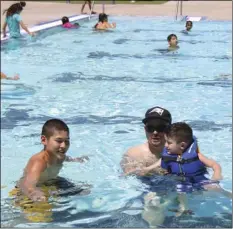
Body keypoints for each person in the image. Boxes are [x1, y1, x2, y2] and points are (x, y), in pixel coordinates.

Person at [16, 118, 89, 202]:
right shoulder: (39, 161)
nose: (63, 146)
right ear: (44, 140)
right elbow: (27, 184)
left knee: (85, 191)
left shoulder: (60, 156)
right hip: (26, 192)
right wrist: (35, 193)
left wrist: (76, 159)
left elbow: (66, 158)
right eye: (59, 141)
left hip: (52, 182)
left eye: (67, 141)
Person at [121, 106, 172, 176]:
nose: (155, 132)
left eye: (161, 128)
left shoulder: (181, 150)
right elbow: (126, 178)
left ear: (169, 130)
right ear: (145, 129)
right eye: (150, 128)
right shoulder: (134, 155)